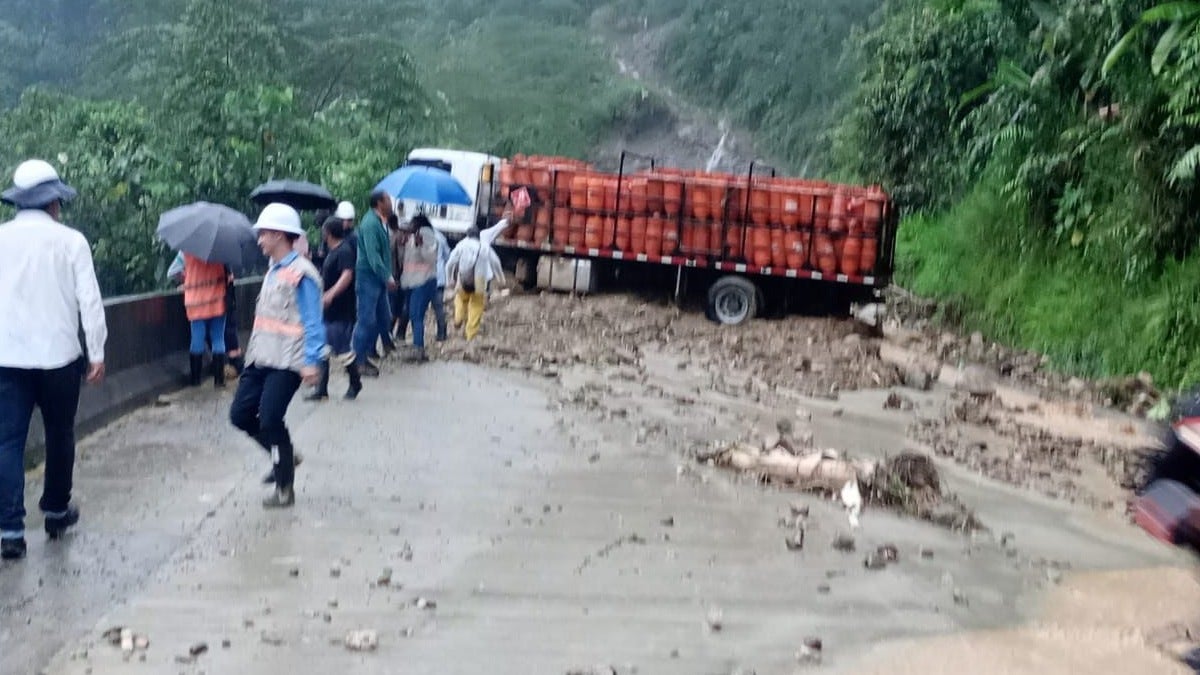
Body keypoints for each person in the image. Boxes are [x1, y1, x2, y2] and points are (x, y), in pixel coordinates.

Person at [0, 159, 107, 560]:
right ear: (53, 203)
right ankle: (56, 510)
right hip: (60, 357)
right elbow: (90, 302)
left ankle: (10, 529)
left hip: (7, 357)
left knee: (6, 441)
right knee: (59, 434)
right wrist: (96, 352)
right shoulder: (71, 241)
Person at [229, 203, 325, 509]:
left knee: (270, 417)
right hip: (262, 356)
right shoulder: (273, 270)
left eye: (264, 234)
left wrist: (312, 361)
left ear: (281, 236)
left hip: (288, 361)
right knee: (240, 415)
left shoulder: (302, 274)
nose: (260, 240)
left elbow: (312, 321)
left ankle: (285, 488)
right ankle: (283, 453)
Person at [305, 216, 362, 401]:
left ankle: (355, 381)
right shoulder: (332, 251)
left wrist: (331, 294)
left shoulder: (344, 251)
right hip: (329, 309)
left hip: (341, 308)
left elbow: (347, 275)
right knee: (324, 347)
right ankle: (322, 389)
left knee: (341, 347)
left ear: (328, 233)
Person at [351, 191, 396, 378]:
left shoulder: (379, 223)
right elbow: (372, 255)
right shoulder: (370, 224)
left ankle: (368, 352)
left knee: (384, 318)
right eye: (388, 200)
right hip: (369, 277)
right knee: (366, 320)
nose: (391, 203)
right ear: (379, 203)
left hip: (377, 279)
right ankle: (357, 360)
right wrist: (387, 276)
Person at [446, 211, 510, 341]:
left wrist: (449, 280)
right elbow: (495, 262)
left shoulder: (461, 245)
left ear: (467, 235)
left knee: (460, 298)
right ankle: (470, 335)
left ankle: (458, 318)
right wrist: (501, 279)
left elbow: (450, 263)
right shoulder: (484, 246)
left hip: (464, 278)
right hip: (480, 281)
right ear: (478, 235)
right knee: (476, 307)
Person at [179, 253, 229, 387]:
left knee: (197, 339)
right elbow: (229, 275)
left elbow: (174, 271)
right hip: (217, 301)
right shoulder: (220, 251)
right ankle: (219, 380)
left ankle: (195, 381)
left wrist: (187, 277)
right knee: (218, 339)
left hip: (195, 303)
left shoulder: (186, 251)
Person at [399, 213, 439, 361]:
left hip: (423, 281)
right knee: (412, 313)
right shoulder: (411, 237)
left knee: (416, 315)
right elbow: (407, 258)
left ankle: (418, 349)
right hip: (411, 281)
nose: (410, 226)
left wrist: (421, 245)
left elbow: (431, 257)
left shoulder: (426, 236)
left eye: (413, 223)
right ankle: (417, 346)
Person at [432, 226, 451, 342]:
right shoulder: (440, 237)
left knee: (415, 308)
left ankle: (401, 332)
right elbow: (447, 256)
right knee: (438, 307)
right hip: (438, 277)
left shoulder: (418, 234)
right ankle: (441, 334)